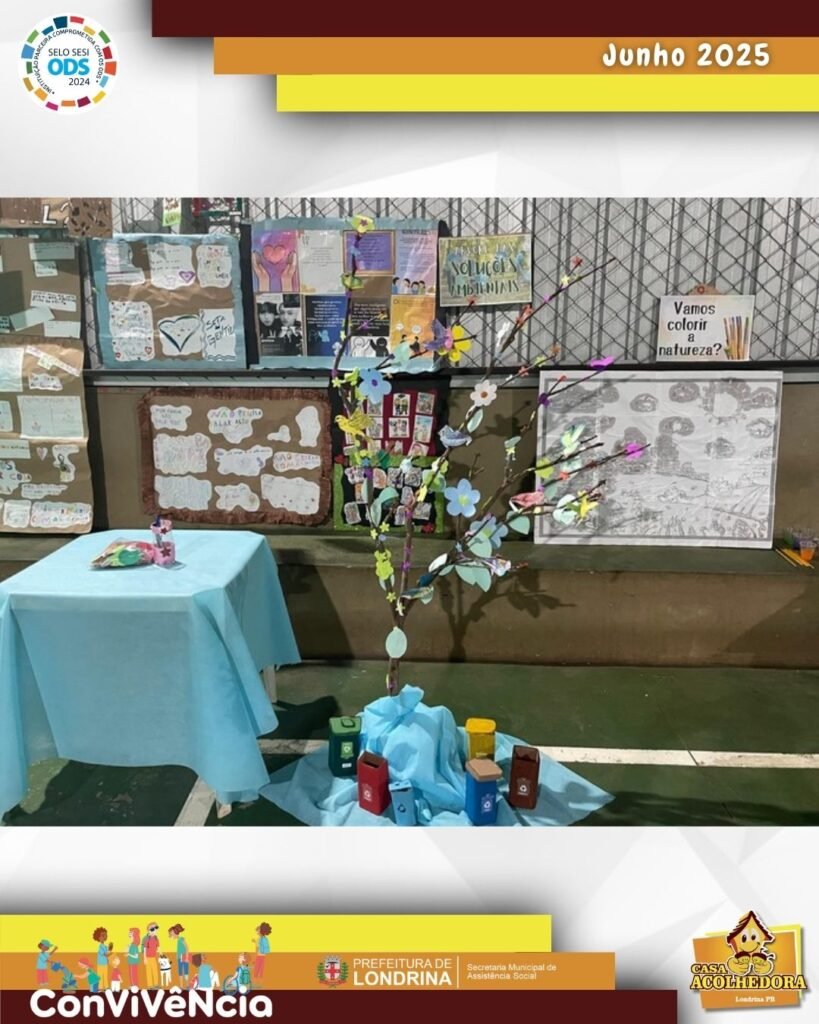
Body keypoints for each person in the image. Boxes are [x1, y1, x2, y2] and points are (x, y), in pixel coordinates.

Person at [168, 924, 189, 989]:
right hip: (179, 958)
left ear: (175, 932)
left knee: (185, 972)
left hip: (184, 956)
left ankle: (187, 985)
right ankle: (181, 986)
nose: (171, 935)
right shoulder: (178, 940)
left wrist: (187, 956)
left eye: (172, 933)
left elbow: (187, 947)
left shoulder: (181, 939)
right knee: (180, 972)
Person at [142, 922, 162, 990]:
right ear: (148, 931)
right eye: (152, 929)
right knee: (149, 972)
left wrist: (161, 955)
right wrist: (144, 958)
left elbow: (158, 948)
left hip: (153, 958)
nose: (154, 931)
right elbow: (145, 949)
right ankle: (150, 985)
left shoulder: (156, 939)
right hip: (148, 958)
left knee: (155, 971)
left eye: (156, 929)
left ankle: (156, 984)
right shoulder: (147, 939)